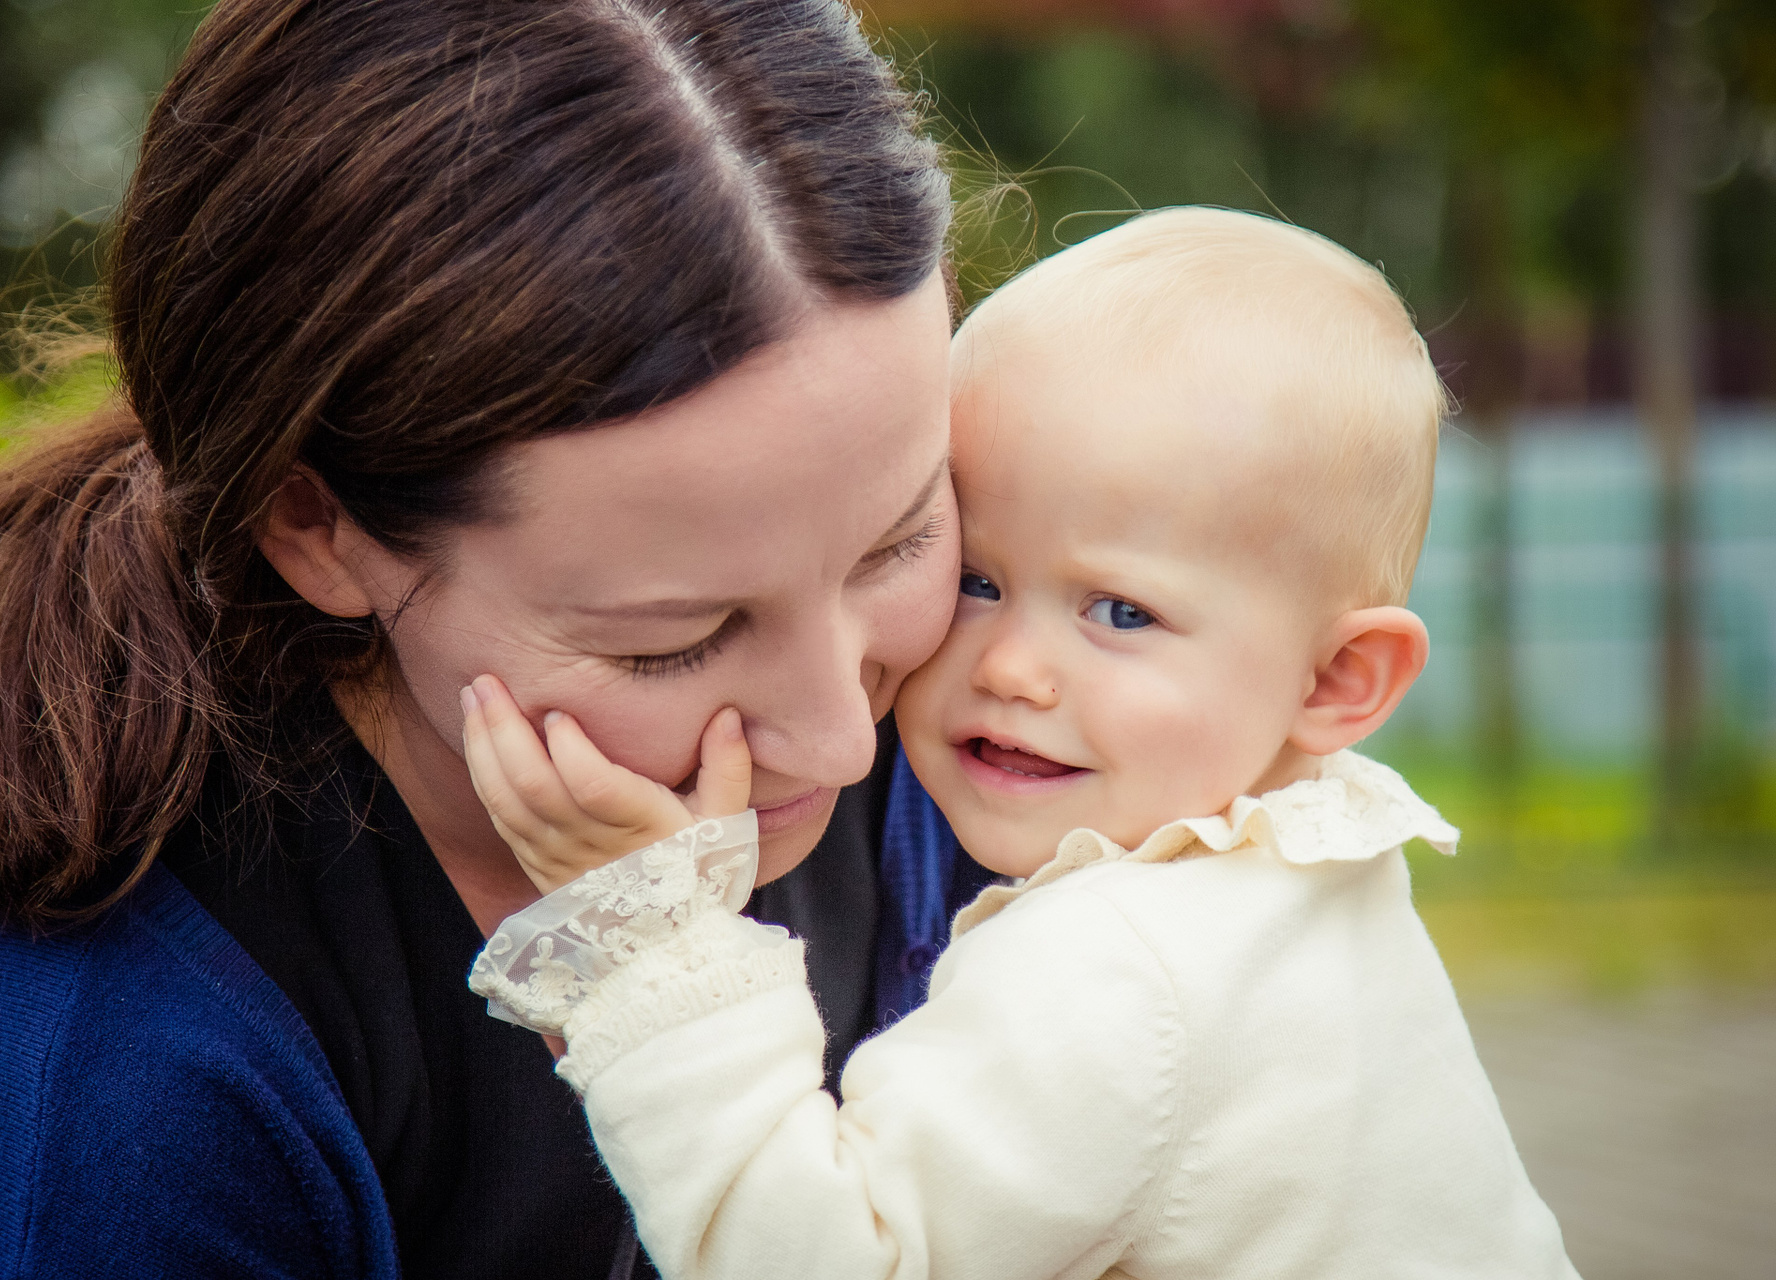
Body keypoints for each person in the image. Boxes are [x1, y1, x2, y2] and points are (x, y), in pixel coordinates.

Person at [0, 0, 985, 1274]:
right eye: (674, 641)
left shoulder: (1018, 717)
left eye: (902, 539)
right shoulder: (101, 1100)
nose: (842, 741)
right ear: (315, 527)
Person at [462, 208, 1581, 1279]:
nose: (1009, 668)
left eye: (1121, 612)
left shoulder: (1123, 967)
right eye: (979, 580)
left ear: (1336, 680)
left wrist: (654, 944)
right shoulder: (1296, 886)